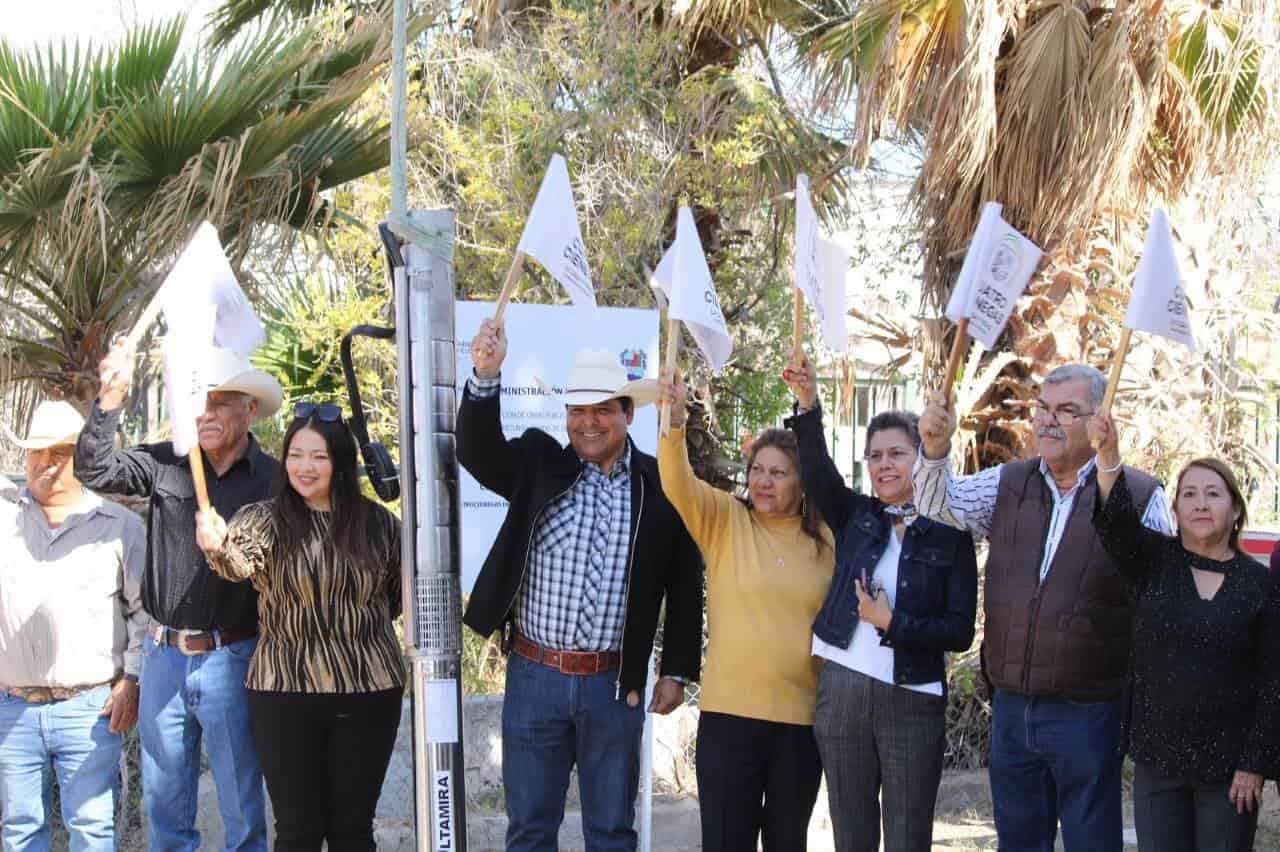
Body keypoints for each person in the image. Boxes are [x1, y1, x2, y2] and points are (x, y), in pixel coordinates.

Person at [457, 321, 704, 852]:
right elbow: (476, 451)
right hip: (534, 677)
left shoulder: (659, 486)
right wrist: (486, 375)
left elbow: (686, 581)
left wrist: (678, 670)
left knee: (612, 833)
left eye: (602, 410)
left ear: (627, 414)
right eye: (578, 411)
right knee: (529, 830)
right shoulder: (537, 461)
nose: (588, 423)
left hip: (615, 684)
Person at [913, 363, 1173, 852]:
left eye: (1066, 412)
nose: (1048, 422)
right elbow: (936, 502)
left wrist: (1110, 465)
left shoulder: (1141, 495)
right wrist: (934, 448)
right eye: (1043, 410)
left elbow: (1161, 583)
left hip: (1091, 711)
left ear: (1100, 418)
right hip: (1013, 708)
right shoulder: (1010, 482)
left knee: (1091, 842)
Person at [76, 343, 282, 852]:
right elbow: (95, 470)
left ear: (249, 409)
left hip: (235, 657)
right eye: (198, 402)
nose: (204, 413)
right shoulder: (168, 462)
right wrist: (109, 399)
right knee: (165, 808)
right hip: (163, 656)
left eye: (218, 401)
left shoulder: (274, 480)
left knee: (242, 809)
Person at [781, 356, 977, 852]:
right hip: (842, 689)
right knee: (852, 831)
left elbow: (958, 631)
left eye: (897, 453)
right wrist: (808, 405)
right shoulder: (857, 516)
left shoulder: (952, 532)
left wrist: (894, 622)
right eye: (875, 456)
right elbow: (819, 472)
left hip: (913, 694)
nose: (885, 465)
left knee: (909, 834)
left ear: (921, 456)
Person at [194, 402, 405, 852]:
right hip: (283, 692)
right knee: (297, 832)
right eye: (296, 454)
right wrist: (216, 546)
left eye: (319, 456)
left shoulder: (379, 525)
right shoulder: (264, 519)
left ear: (341, 463)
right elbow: (235, 563)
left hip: (367, 692)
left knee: (352, 831)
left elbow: (396, 599)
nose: (304, 467)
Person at [656, 368, 834, 852]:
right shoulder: (725, 522)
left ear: (803, 481)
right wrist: (672, 424)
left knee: (786, 843)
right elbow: (677, 482)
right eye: (757, 469)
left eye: (778, 472)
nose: (763, 480)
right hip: (729, 720)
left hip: (800, 726)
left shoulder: (829, 542)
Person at [1088, 413, 1280, 852]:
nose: (1200, 503)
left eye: (1213, 494)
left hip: (1231, 772)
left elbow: (1274, 682)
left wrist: (1254, 763)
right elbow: (1115, 524)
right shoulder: (1153, 562)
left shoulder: (1261, 584)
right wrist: (1107, 454)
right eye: (1188, 494)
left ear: (1234, 509)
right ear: (1174, 510)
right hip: (1158, 762)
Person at [0, 400, 147, 851]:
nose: (44, 464)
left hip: (89, 708)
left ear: (80, 457)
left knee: (92, 830)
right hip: (12, 708)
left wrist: (133, 679)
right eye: (36, 453)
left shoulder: (120, 526)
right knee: (19, 830)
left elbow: (144, 612)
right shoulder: (4, 519)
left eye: (58, 453)